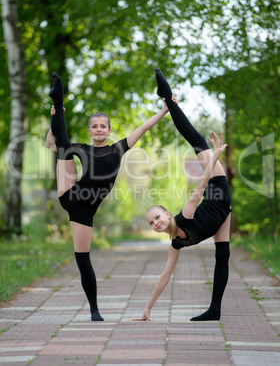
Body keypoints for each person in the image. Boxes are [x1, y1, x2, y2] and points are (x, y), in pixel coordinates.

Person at [45, 71, 170, 321]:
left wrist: (165, 110)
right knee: (63, 144)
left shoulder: (118, 148)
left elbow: (143, 127)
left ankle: (94, 309)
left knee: (83, 259)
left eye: (103, 126)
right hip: (70, 193)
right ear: (90, 131)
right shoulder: (83, 148)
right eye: (95, 126)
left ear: (109, 130)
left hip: (83, 211)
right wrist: (55, 118)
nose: (99, 129)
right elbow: (52, 143)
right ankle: (58, 100)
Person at [133, 69, 231, 322]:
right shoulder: (176, 243)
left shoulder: (184, 217)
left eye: (157, 217)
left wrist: (216, 155)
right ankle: (215, 310)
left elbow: (201, 184)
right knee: (223, 255)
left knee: (195, 139)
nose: (156, 223)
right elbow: (165, 276)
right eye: (152, 223)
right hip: (221, 213)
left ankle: (168, 98)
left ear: (167, 214)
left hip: (215, 188)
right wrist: (147, 310)